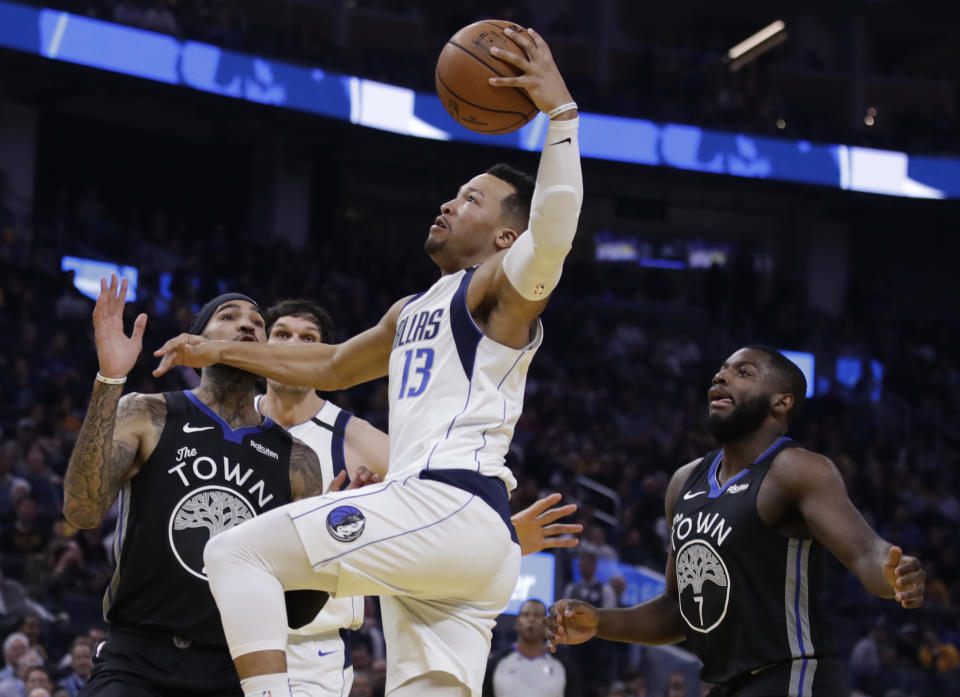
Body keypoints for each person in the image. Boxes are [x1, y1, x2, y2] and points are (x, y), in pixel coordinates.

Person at [154, 25, 582, 697]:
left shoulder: (501, 286)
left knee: (237, 552)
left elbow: (553, 232)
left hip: (447, 501)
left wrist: (560, 115)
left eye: (471, 198)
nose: (448, 202)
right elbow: (331, 367)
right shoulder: (414, 306)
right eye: (454, 192)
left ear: (506, 235)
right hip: (458, 538)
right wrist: (218, 347)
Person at [546, 347, 927, 697]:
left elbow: (865, 552)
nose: (720, 377)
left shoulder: (796, 470)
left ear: (781, 402)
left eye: (743, 372)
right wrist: (599, 622)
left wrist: (893, 574)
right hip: (725, 684)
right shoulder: (684, 482)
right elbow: (678, 611)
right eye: (720, 371)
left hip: (791, 678)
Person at [257, 299, 584, 697]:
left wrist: (506, 539)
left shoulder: (360, 441)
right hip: (214, 630)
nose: (294, 346)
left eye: (308, 338)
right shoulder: (223, 424)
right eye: (282, 335)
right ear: (262, 343)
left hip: (311, 649)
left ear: (325, 354)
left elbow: (434, 525)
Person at [62, 277, 325, 696]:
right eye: (230, 316)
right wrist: (109, 381)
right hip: (135, 659)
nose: (248, 326)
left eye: (258, 323)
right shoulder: (150, 413)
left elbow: (298, 612)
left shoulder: (298, 460)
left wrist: (328, 535)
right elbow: (82, 510)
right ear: (196, 341)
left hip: (232, 667)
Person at [482, 598, 581, 697]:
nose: (531, 619)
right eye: (526, 615)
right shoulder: (495, 663)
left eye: (537, 615)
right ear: (517, 623)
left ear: (547, 624)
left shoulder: (565, 666)